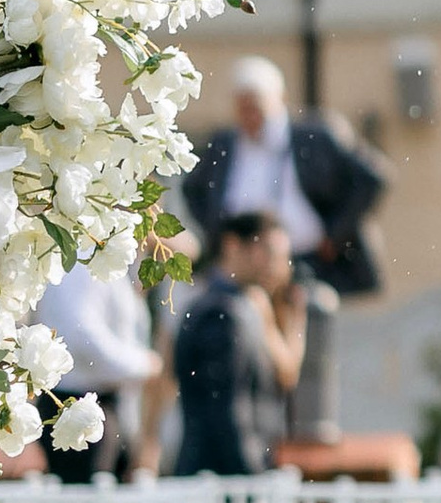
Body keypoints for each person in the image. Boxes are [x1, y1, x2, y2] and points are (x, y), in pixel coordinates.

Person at [178, 57, 389, 298]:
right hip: (244, 268)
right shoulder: (224, 142)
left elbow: (372, 177)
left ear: (280, 100)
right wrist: (217, 233)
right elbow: (192, 188)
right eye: (243, 109)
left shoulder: (313, 136)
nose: (250, 118)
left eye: (256, 108)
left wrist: (336, 233)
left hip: (311, 261)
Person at [158, 210, 305, 477]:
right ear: (233, 245)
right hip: (219, 480)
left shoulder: (243, 305)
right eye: (269, 252)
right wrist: (253, 475)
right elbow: (225, 409)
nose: (280, 266)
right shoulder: (220, 312)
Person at [35, 254, 154, 480]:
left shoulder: (109, 260)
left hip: (107, 403)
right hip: (73, 402)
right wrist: (142, 365)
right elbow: (82, 336)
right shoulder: (81, 260)